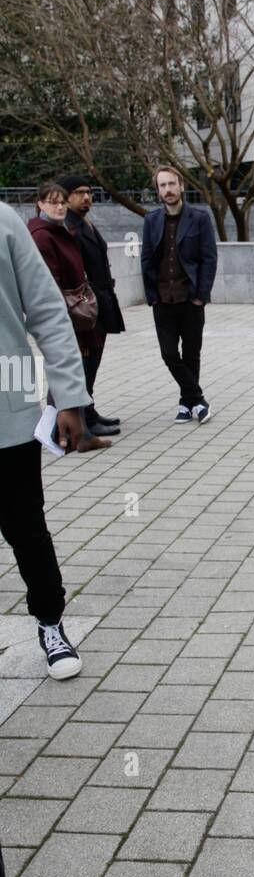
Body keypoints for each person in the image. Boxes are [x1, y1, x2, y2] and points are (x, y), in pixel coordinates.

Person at [0, 200, 91, 679]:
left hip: (6, 416)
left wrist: (70, 397)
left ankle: (50, 622)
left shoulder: (4, 221)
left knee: (27, 531)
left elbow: (48, 311)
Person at [27, 182, 112, 453]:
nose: (60, 206)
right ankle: (61, 434)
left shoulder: (59, 230)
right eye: (53, 201)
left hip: (74, 308)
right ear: (40, 204)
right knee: (65, 370)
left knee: (74, 370)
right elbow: (48, 281)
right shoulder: (43, 235)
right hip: (64, 312)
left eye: (63, 201)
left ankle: (76, 431)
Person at [140, 165, 218, 424]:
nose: (168, 190)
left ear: (181, 186)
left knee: (191, 354)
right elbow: (146, 259)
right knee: (169, 354)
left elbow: (209, 259)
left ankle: (186, 405)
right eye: (162, 186)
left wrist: (201, 295)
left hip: (190, 298)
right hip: (162, 300)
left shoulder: (200, 218)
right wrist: (151, 295)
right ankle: (198, 399)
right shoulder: (151, 221)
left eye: (172, 184)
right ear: (158, 190)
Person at [56, 174, 124, 438]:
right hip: (85, 307)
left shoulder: (84, 222)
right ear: (67, 197)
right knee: (86, 364)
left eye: (89, 192)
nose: (86, 197)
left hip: (99, 303)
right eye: (79, 192)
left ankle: (90, 411)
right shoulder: (69, 227)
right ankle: (84, 418)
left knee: (93, 363)